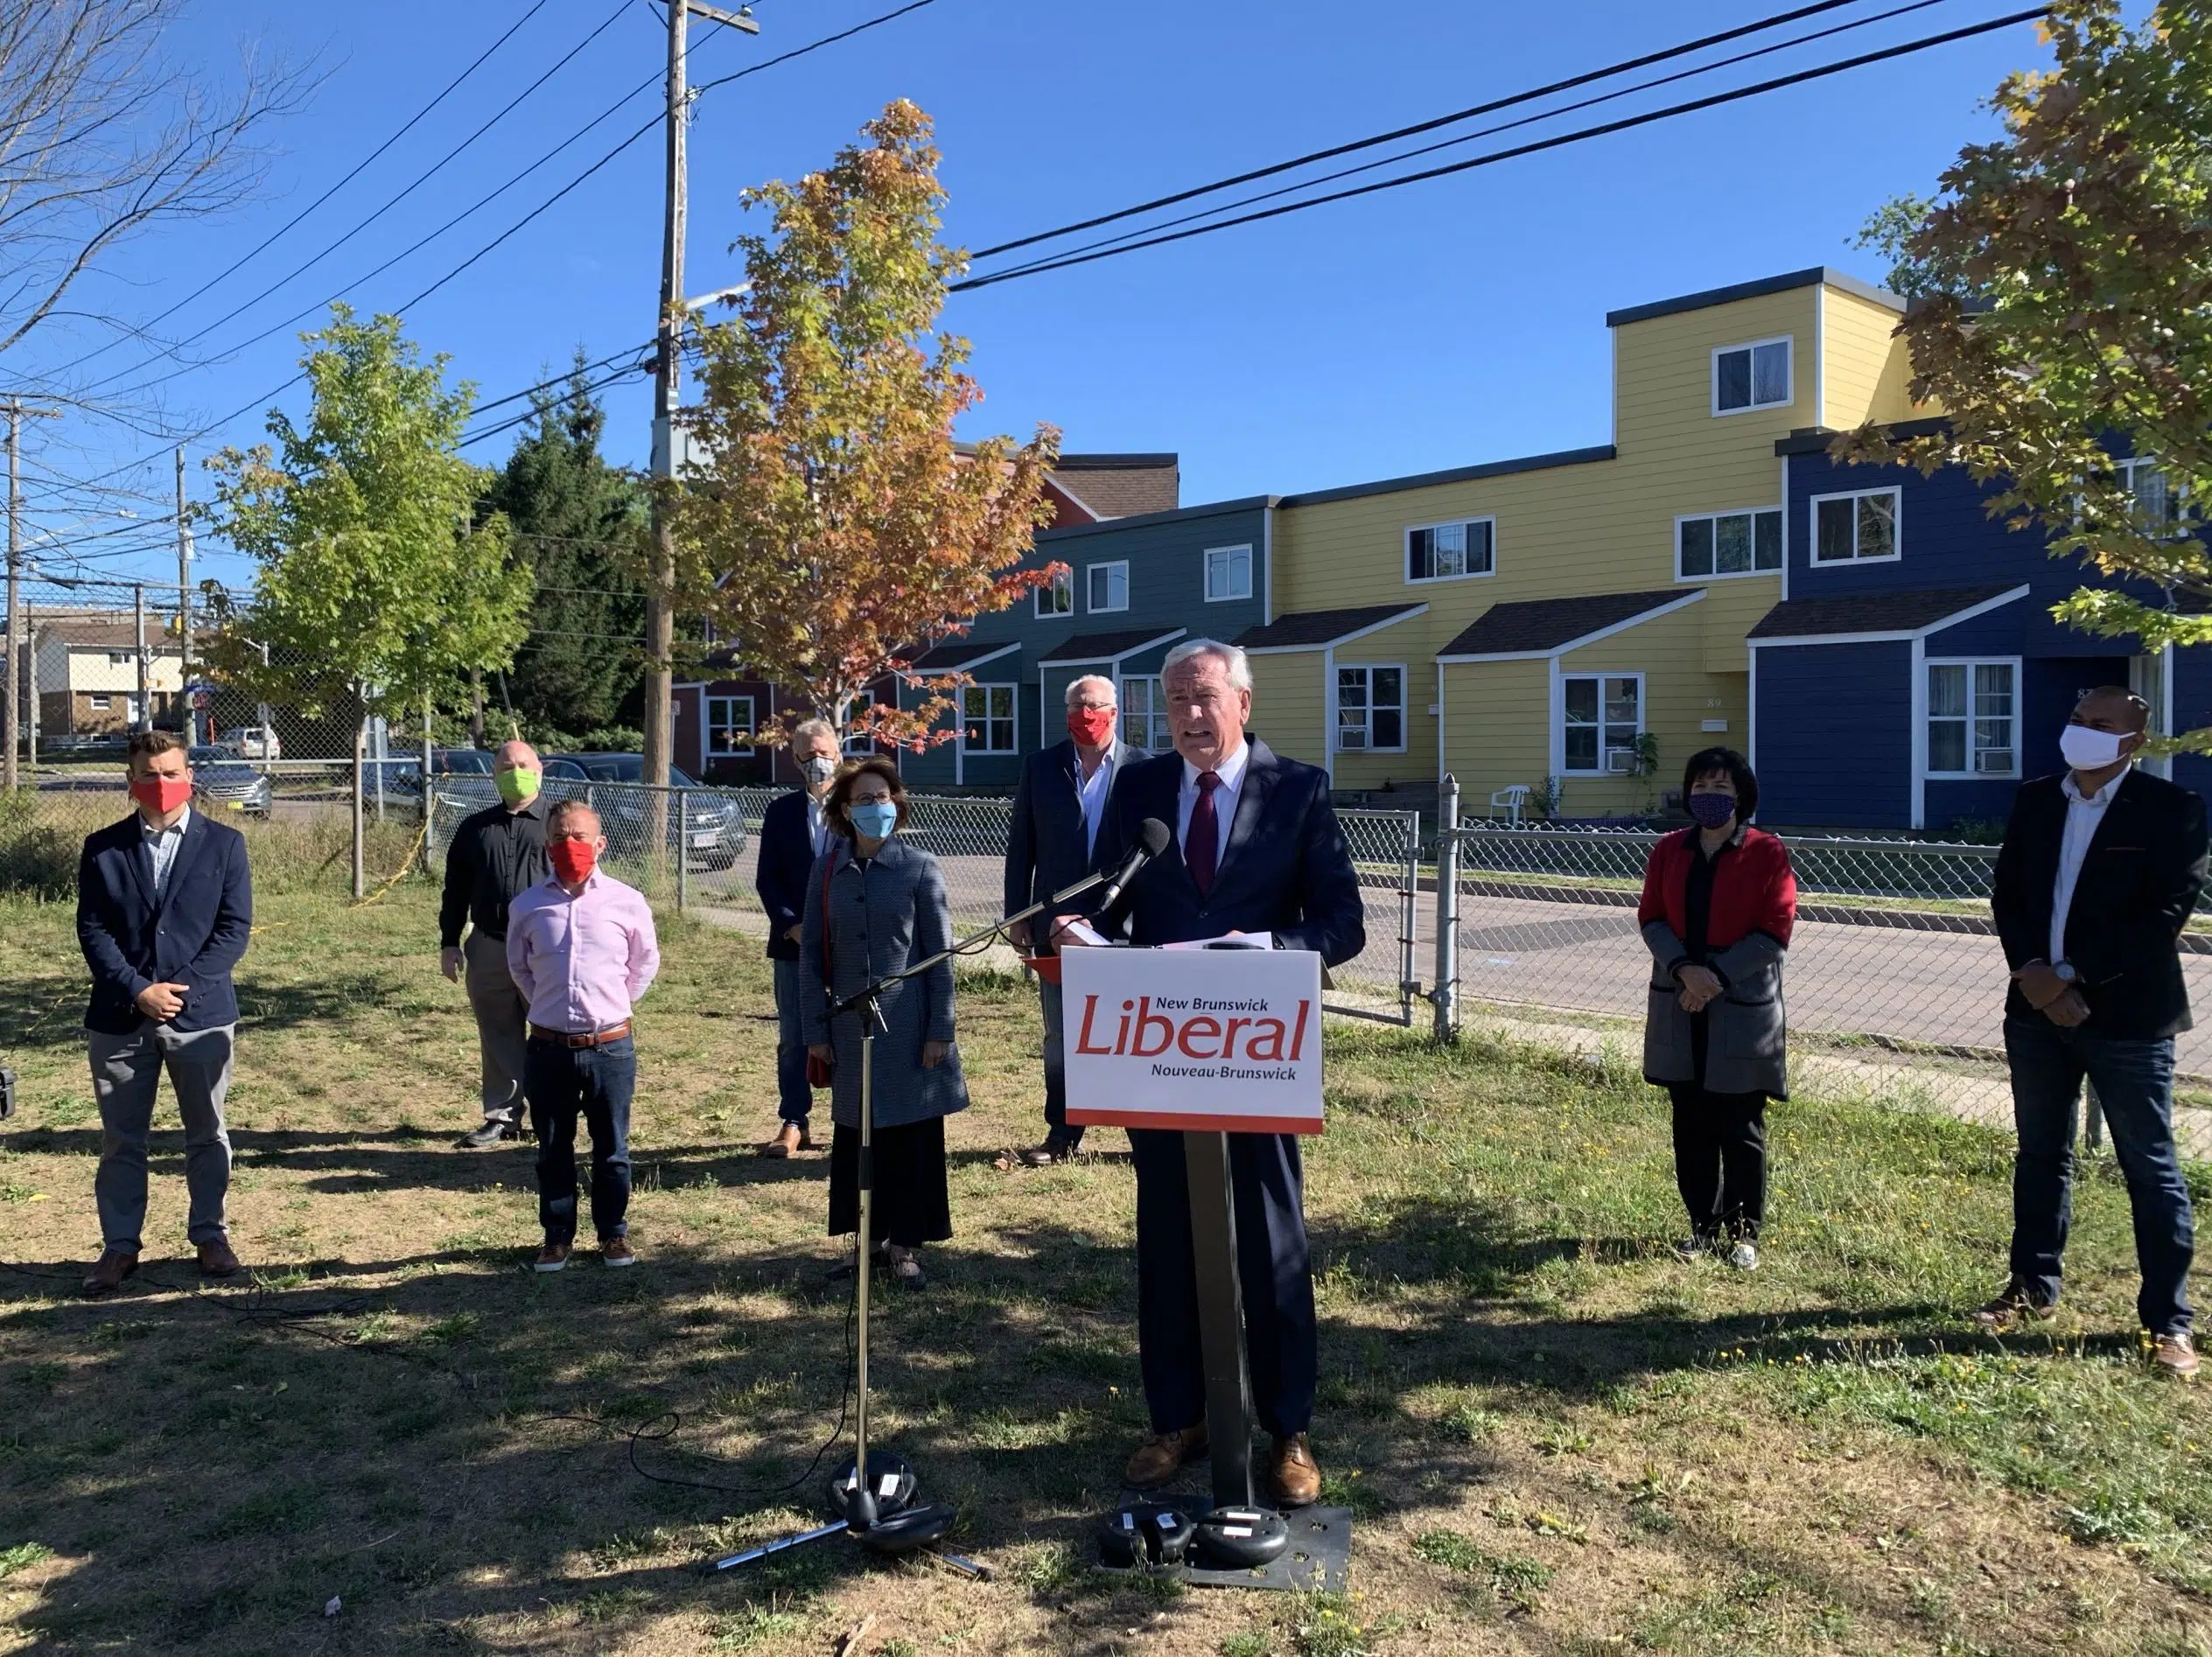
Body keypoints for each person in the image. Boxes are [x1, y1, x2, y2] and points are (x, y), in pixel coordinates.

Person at [1051, 639, 1366, 1508]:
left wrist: (1269, 947)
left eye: (1205, 696)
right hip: (1157, 1059)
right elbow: (1114, 897)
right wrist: (1084, 936)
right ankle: (1177, 1416)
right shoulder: (1142, 790)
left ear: (1243, 701)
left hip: (1260, 1058)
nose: (1190, 714)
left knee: (1271, 1244)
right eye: (1176, 698)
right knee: (1169, 1240)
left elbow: (1342, 921)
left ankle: (1286, 1428)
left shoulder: (1296, 790)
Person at [1982, 686, 2207, 1377]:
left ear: (2134, 742)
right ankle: (2031, 1286)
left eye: (2102, 725)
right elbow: (2010, 896)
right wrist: (2035, 977)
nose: (2083, 732)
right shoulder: (2037, 799)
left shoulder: (2175, 812)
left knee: (2152, 1168)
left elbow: (2161, 917)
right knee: (2041, 1155)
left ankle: (2168, 1323)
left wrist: (2071, 976)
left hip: (2130, 1020)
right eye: (2078, 719)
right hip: (2036, 1013)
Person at [75, 729, 254, 1295]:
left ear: (190, 780)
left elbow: (233, 929)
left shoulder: (225, 845)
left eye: (171, 773)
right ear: (131, 784)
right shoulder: (102, 849)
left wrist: (182, 990)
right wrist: (136, 989)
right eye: (149, 775)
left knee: (208, 1132)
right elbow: (93, 929)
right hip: (121, 1016)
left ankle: (211, 1235)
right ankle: (120, 1247)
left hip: (200, 1016)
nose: (161, 784)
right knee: (122, 1139)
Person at [802, 757, 968, 1291]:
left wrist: (941, 1028)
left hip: (911, 1025)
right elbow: (810, 956)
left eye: (886, 797)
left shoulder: (920, 868)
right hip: (850, 1030)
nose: (879, 807)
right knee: (858, 1137)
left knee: (912, 1137)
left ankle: (906, 1247)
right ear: (845, 813)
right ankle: (866, 1244)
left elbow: (939, 954)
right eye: (866, 800)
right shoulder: (826, 871)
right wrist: (817, 1033)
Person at [1636, 747, 1797, 1272]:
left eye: (1722, 790)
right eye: (1702, 788)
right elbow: (1652, 919)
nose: (1710, 798)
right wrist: (1686, 970)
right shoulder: (1668, 850)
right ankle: (1701, 1228)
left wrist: (1715, 978)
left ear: (1742, 797)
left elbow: (1775, 931)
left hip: (1740, 1007)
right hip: (1681, 1001)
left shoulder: (1767, 853)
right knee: (1690, 1122)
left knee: (1740, 1124)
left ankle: (1745, 1233)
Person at [507, 800, 661, 1272]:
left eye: (579, 836)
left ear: (600, 843)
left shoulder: (627, 901)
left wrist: (612, 1005)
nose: (569, 845)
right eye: (559, 837)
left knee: (612, 1147)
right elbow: (520, 969)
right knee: (553, 1147)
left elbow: (644, 964)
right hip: (549, 1046)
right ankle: (556, 1237)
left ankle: (613, 1234)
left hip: (610, 1046)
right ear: (547, 844)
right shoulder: (528, 906)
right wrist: (552, 1010)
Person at [1004, 674, 1144, 1165]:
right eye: (1077, 706)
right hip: (1053, 929)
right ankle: (1063, 1132)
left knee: (1129, 1034)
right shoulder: (1041, 768)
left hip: (1121, 929)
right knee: (1061, 1036)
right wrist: (1017, 913)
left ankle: (1141, 1137)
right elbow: (1022, 846)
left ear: (1115, 711)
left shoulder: (1145, 770)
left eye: (1096, 706)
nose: (1087, 715)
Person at [438, 739, 550, 1149]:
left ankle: (550, 1115)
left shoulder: (558, 824)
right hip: (488, 946)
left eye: (522, 764)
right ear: (494, 775)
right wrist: (450, 942)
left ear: (540, 770)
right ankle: (503, 1117)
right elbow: (455, 891)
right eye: (506, 766)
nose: (514, 771)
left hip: (546, 950)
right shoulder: (475, 829)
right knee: (497, 1033)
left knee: (550, 1033)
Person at [753, 718, 844, 1158]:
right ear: (795, 760)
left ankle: (851, 1117)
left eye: (824, 753)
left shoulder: (856, 807)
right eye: (807, 756)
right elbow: (767, 879)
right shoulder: (780, 812)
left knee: (848, 1031)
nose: (817, 762)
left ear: (839, 753)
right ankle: (794, 1120)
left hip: (851, 944)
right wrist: (791, 925)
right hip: (793, 946)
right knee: (794, 1035)